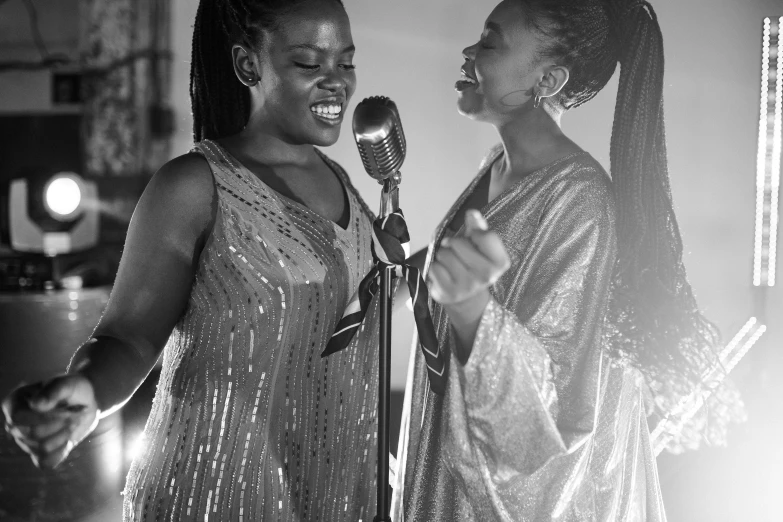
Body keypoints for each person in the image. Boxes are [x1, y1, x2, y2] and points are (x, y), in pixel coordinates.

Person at [2, 0, 383, 519]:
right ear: (249, 65)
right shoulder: (193, 185)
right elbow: (129, 336)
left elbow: (344, 317)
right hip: (214, 494)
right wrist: (87, 391)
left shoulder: (345, 185)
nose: (337, 81)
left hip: (328, 497)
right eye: (310, 64)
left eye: (346, 61)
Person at [391, 0, 734, 520]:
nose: (468, 53)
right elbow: (477, 254)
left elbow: (552, 421)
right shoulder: (499, 166)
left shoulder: (579, 200)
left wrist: (471, 312)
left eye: (489, 42)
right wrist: (395, 279)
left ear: (547, 80)